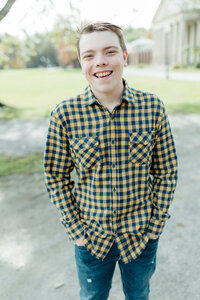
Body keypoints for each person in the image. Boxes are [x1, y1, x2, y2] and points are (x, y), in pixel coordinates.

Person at [44, 22, 178, 300]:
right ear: (81, 62)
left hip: (141, 237)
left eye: (109, 51)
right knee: (92, 297)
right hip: (91, 240)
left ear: (125, 57)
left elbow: (167, 172)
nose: (100, 62)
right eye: (89, 55)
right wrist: (77, 232)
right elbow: (56, 177)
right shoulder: (65, 115)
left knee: (138, 295)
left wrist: (154, 228)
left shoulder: (152, 107)